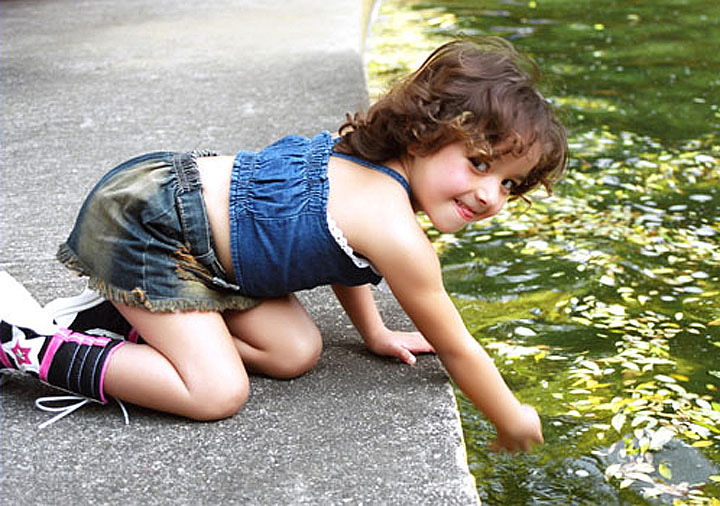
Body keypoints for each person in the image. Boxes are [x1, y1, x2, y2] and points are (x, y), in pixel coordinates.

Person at [1, 37, 567, 450]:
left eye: (509, 182)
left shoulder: (376, 172)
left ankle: (132, 321)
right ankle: (26, 344)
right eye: (479, 163)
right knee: (216, 392)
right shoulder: (394, 226)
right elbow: (458, 345)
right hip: (146, 224)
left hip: (194, 240)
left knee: (296, 352)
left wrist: (373, 330)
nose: (491, 194)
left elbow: (346, 255)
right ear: (426, 133)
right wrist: (509, 417)